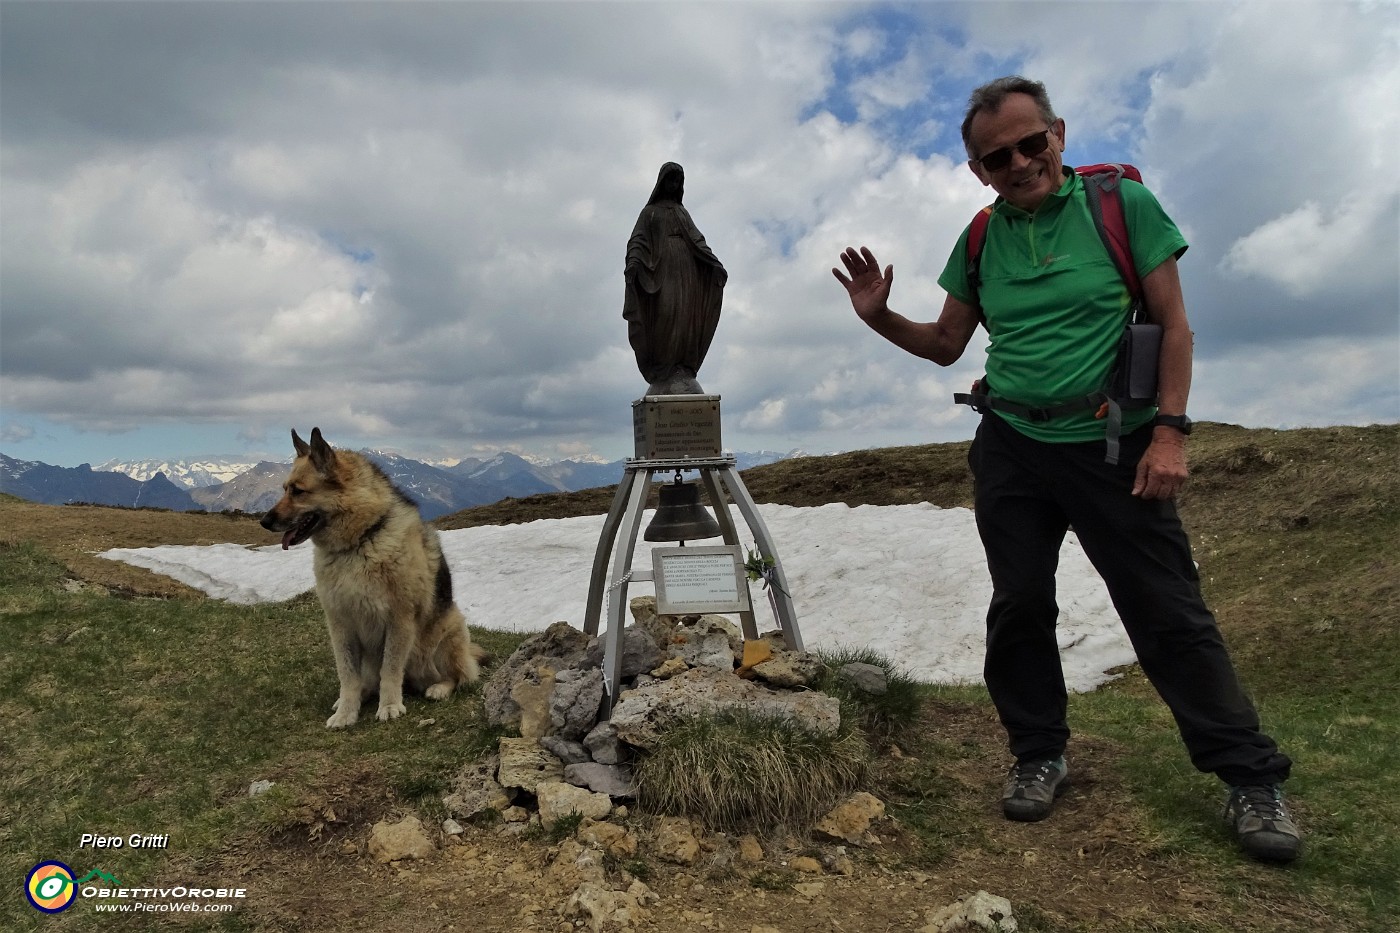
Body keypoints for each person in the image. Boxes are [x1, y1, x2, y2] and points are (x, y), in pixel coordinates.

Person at [833, 76, 1300, 864]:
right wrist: (879, 316)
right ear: (979, 170)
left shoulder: (1123, 208)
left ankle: (1251, 777)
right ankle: (1038, 751)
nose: (1019, 163)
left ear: (1058, 133)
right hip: (1012, 441)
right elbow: (948, 344)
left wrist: (1172, 435)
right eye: (996, 157)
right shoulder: (980, 236)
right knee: (1019, 604)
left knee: (1166, 609)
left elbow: (1175, 327)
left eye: (1030, 143)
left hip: (1113, 440)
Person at [623, 162, 728, 396]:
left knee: (685, 318)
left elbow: (697, 240)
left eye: (677, 181)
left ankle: (682, 369)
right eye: (670, 180)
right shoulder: (649, 213)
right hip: (661, 272)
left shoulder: (682, 212)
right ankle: (664, 370)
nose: (673, 185)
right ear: (662, 183)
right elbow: (638, 241)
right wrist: (633, 263)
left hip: (687, 272)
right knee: (666, 314)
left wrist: (714, 263)